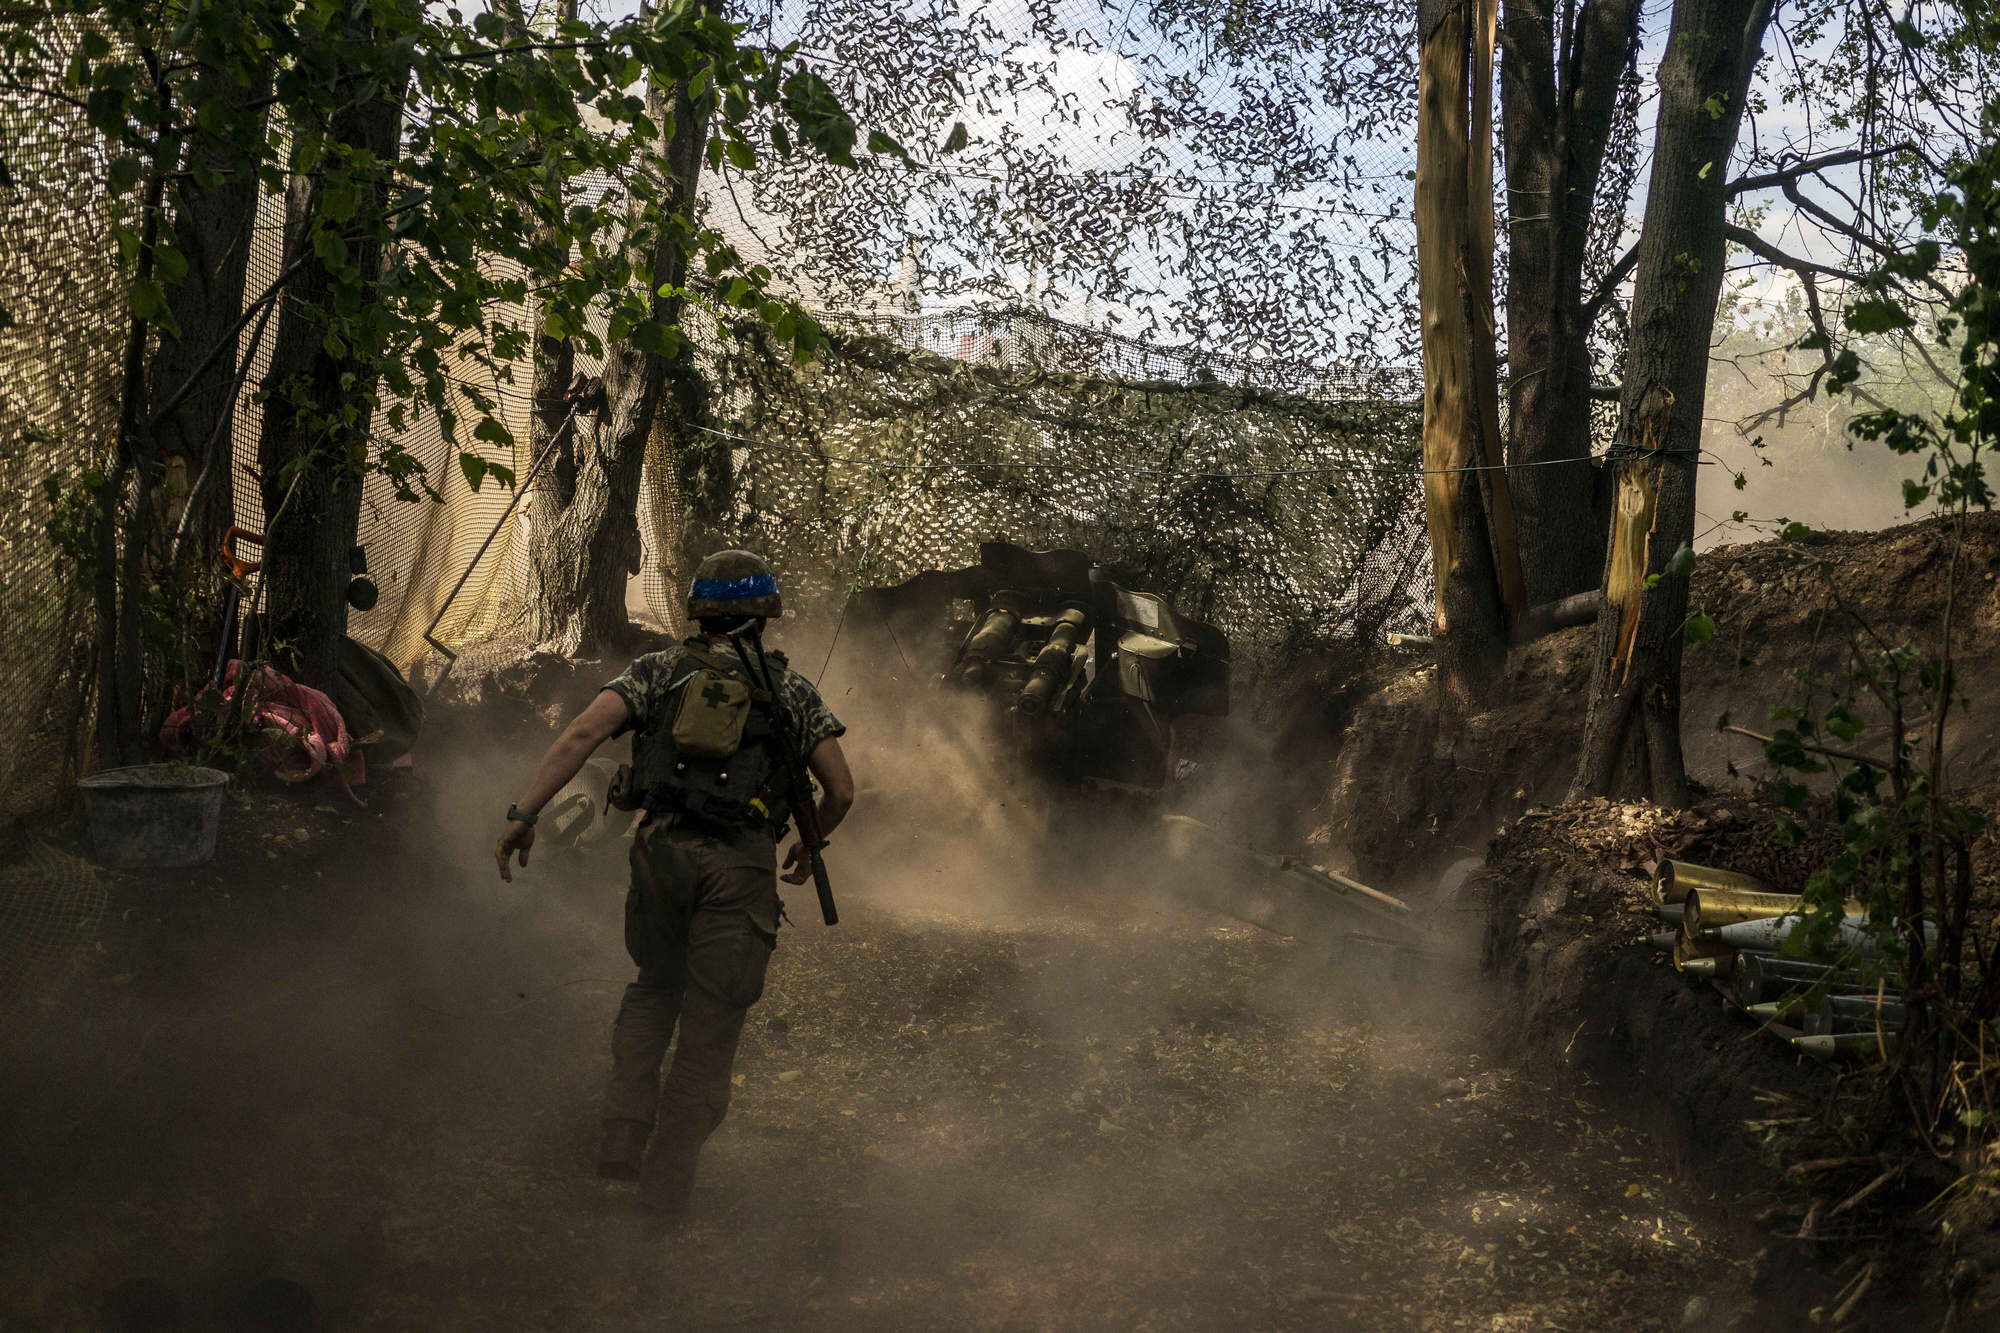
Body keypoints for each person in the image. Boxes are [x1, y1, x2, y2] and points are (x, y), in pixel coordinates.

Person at [493, 550, 854, 1219]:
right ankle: (665, 1189)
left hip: (660, 854)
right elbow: (841, 790)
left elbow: (581, 734)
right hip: (740, 865)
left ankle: (622, 1137)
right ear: (764, 615)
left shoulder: (657, 671)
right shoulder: (791, 692)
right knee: (712, 1022)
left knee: (657, 983)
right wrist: (808, 841)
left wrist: (524, 814)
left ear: (700, 611)